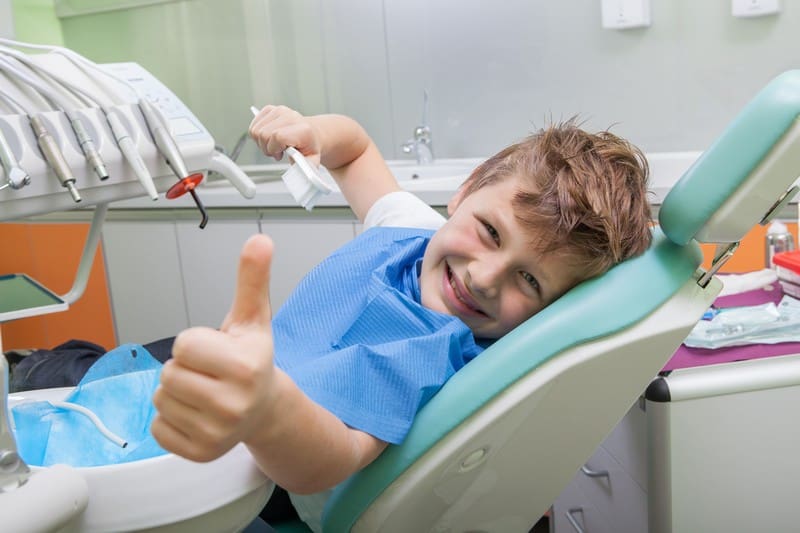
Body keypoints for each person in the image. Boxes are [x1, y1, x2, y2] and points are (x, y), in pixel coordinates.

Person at [150, 105, 653, 530]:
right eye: (490, 232)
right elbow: (357, 150)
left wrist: (266, 407)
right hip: (254, 385)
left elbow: (333, 459)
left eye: (529, 281)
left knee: (76, 368)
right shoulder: (415, 229)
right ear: (467, 188)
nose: (484, 277)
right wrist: (315, 134)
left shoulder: (431, 357)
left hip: (270, 468)